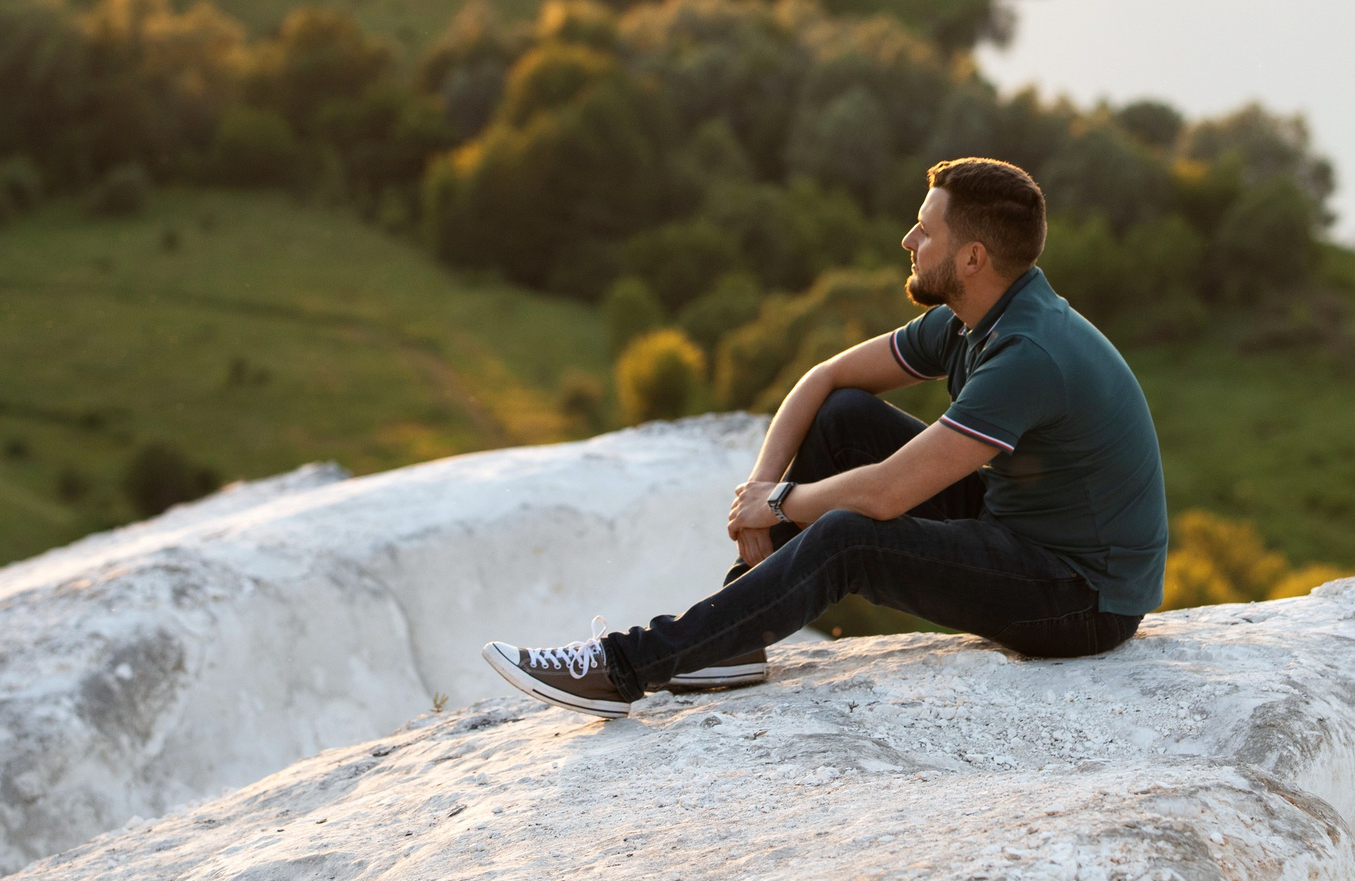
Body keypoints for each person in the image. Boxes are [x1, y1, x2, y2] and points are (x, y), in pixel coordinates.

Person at [482, 157, 1170, 717]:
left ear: (972, 258)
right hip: (1021, 527)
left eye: (925, 231)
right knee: (842, 415)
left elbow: (887, 493)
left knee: (851, 536)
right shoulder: (974, 317)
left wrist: (779, 503)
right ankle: (732, 640)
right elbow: (823, 379)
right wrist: (759, 494)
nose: (908, 239)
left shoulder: (1028, 354)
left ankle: (625, 665)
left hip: (1084, 595)